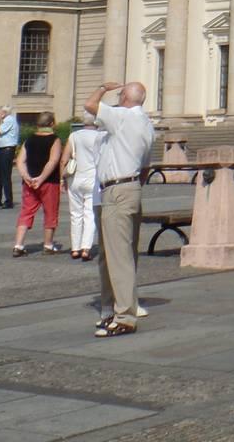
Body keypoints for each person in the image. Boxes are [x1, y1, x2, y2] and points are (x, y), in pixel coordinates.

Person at [86, 80, 155, 336]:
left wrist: (102, 87)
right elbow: (146, 166)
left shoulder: (123, 117)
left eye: (119, 95)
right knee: (116, 253)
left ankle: (125, 316)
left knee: (118, 256)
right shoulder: (147, 125)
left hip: (117, 189)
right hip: (131, 187)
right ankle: (112, 308)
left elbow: (90, 104)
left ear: (125, 97)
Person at [12, 112, 64, 256]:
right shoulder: (55, 140)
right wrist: (41, 178)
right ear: (52, 124)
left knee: (26, 212)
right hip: (49, 182)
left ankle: (18, 245)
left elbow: (20, 161)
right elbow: (53, 161)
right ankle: (48, 245)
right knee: (50, 212)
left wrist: (27, 176)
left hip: (29, 182)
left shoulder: (29, 140)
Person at [65, 112, 103, 260]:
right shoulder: (100, 136)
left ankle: (75, 248)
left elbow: (65, 158)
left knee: (75, 214)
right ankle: (86, 248)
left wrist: (62, 179)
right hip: (93, 179)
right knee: (90, 214)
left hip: (76, 179)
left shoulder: (74, 135)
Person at [0, 104, 20, 209]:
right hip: (1, 149)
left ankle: (8, 201)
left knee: (5, 176)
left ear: (4, 113)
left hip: (7, 150)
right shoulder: (6, 121)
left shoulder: (9, 120)